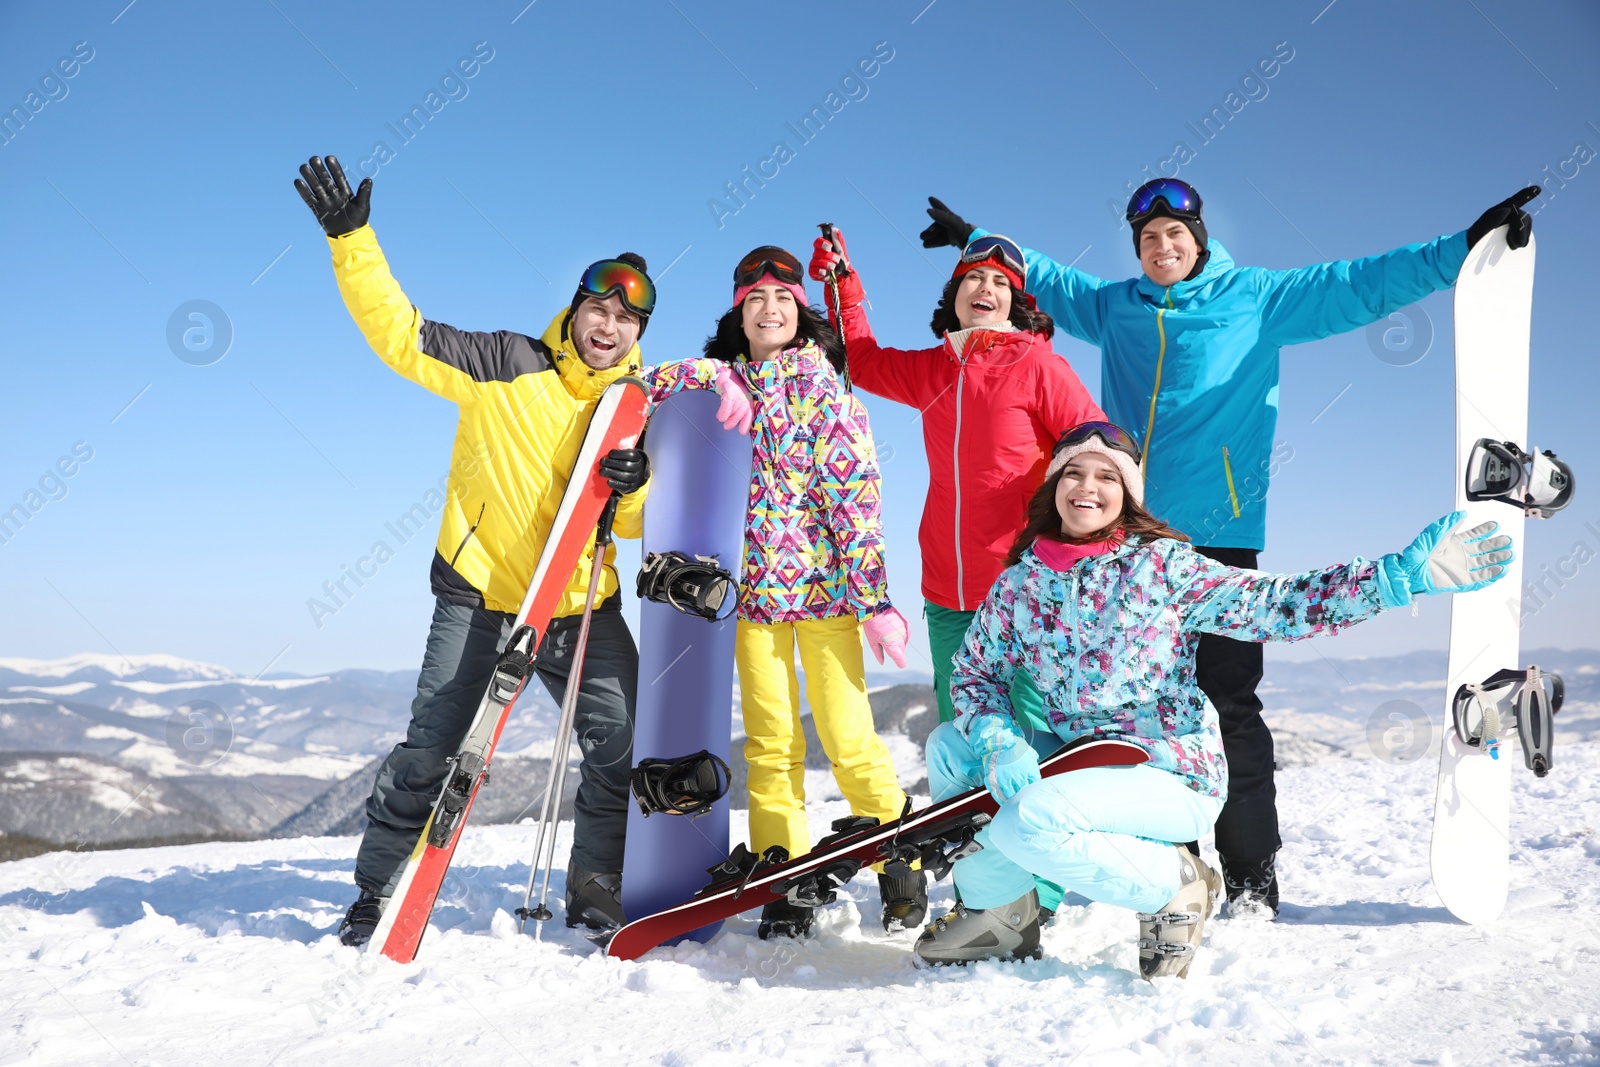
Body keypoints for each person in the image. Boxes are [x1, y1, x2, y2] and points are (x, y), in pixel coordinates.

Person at [917, 181, 1539, 915]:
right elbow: (1043, 278)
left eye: (1175, 234)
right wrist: (977, 240)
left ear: (1200, 237)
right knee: (1124, 707)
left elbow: (1359, 286)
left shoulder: (1258, 297)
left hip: (1214, 536)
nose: (1162, 247)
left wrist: (1460, 251)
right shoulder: (1117, 306)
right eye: (1147, 238)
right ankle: (1158, 870)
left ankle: (1249, 875)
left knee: (1228, 705)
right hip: (1119, 538)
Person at [294, 155, 728, 943]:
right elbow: (400, 333)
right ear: (577, 311)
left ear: (639, 334)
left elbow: (628, 529)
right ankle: (377, 891)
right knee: (431, 749)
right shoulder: (503, 362)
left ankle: (598, 886)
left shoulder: (638, 406)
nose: (610, 326)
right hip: (482, 595)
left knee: (622, 743)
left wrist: (631, 484)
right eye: (599, 308)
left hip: (577, 607)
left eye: (627, 320)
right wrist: (352, 240)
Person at [914, 421, 1513, 977]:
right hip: (1078, 759)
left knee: (1030, 820)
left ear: (1128, 494)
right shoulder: (1022, 582)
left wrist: (1393, 578)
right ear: (1054, 486)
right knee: (950, 747)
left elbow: (1275, 604)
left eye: (1107, 476)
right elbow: (975, 673)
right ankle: (1000, 915)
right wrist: (994, 735)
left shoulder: (1162, 567)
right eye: (1074, 472)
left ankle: (1175, 887)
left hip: (1166, 768)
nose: (1088, 487)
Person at [644, 246, 923, 939]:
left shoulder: (825, 389)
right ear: (738, 312)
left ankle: (898, 856)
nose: (769, 309)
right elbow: (645, 382)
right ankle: (783, 870)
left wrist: (876, 599)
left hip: (826, 596)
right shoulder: (722, 382)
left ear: (801, 310)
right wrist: (713, 378)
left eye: (782, 298)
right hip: (755, 604)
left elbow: (855, 498)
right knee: (769, 744)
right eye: (754, 299)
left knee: (848, 733)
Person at [806, 231, 1105, 728]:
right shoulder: (933, 370)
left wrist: (1085, 550)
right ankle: (966, 807)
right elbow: (859, 359)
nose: (985, 287)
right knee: (961, 723)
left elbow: (1097, 450)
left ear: (1014, 302)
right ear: (955, 296)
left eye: (999, 281)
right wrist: (844, 289)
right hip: (946, 587)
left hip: (1022, 584)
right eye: (973, 278)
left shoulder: (1039, 366)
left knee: (1028, 731)